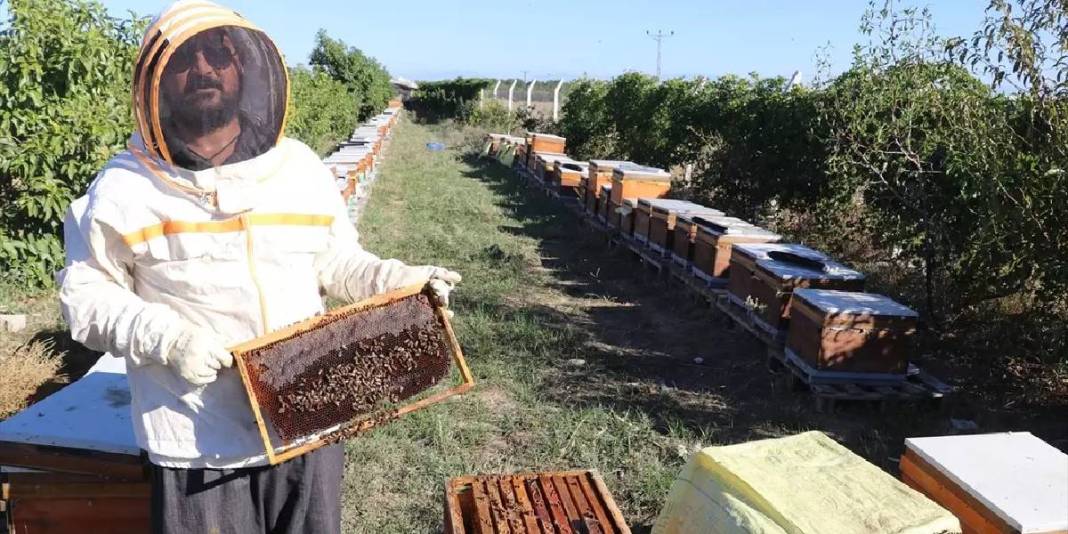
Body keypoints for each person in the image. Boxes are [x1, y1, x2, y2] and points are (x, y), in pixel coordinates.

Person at [56, 2, 460, 532]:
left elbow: (335, 259)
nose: (203, 69)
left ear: (244, 67)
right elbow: (86, 298)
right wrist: (167, 338)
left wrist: (398, 282)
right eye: (184, 60)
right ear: (156, 81)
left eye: (217, 55)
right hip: (198, 439)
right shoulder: (123, 190)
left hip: (308, 415)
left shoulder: (297, 169)